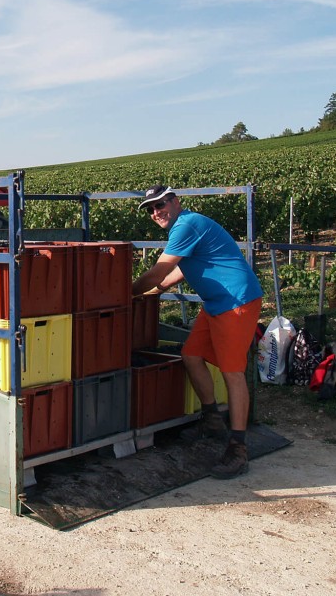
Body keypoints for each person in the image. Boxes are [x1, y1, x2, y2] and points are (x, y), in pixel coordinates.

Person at [131, 184, 263, 479]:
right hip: (217, 303)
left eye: (160, 204)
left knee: (233, 373)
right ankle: (212, 420)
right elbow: (181, 269)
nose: (156, 212)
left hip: (236, 301)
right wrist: (157, 290)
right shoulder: (185, 226)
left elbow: (159, 270)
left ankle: (238, 448)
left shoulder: (186, 224)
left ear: (175, 201)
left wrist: (127, 293)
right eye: (151, 209)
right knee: (191, 355)